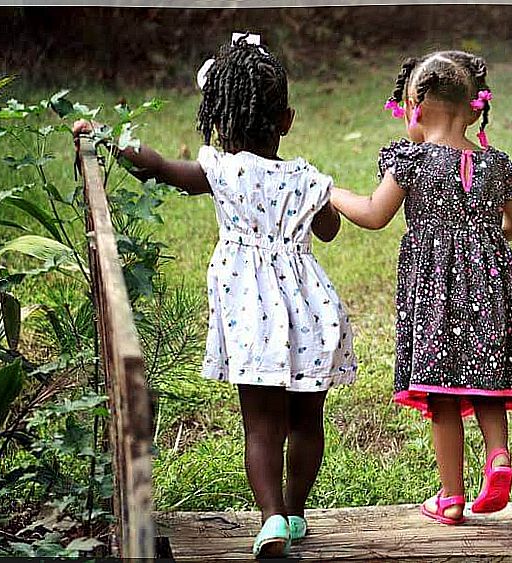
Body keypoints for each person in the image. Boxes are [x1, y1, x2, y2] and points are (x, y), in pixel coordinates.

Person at [74, 33, 357, 557]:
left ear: (219, 122)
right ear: (288, 120)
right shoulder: (306, 177)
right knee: (306, 421)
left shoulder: (222, 170)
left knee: (262, 425)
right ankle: (296, 512)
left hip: (253, 315)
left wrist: (110, 138)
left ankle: (270, 517)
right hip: (312, 313)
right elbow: (329, 230)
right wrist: (312, 204)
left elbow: (159, 168)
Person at [331, 50, 512, 525]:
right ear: (475, 106)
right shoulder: (495, 163)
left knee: (443, 393)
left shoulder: (411, 160)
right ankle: (498, 458)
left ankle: (450, 497)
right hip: (492, 285)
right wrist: (483, 244)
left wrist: (329, 192)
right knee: (492, 375)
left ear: (418, 104)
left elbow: (374, 214)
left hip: (434, 293)